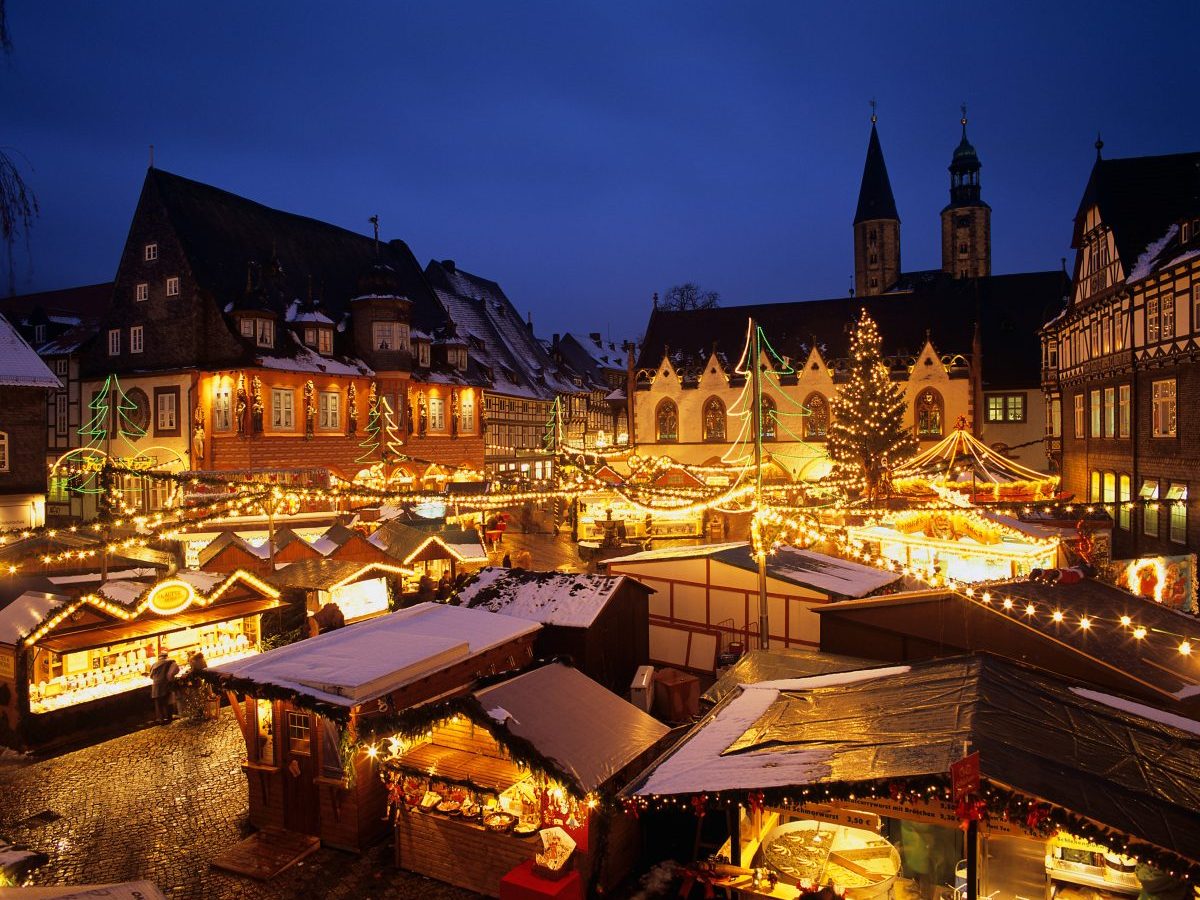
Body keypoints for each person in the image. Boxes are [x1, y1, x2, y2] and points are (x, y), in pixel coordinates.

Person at [149, 651, 180, 724]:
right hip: (165, 684)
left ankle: (161, 719)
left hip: (156, 685)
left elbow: (151, 676)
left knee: (158, 702)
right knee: (168, 701)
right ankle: (169, 717)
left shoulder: (154, 664)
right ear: (166, 656)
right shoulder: (170, 662)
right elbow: (176, 670)